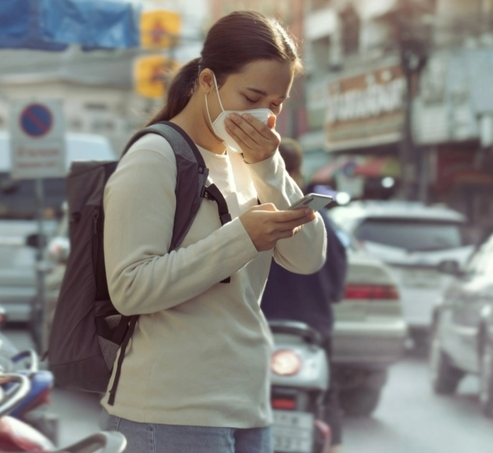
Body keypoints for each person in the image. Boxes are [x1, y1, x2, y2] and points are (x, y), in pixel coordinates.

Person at [99, 11, 326, 453]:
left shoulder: (250, 162)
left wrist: (268, 166)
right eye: (252, 95)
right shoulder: (156, 156)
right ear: (207, 82)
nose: (263, 112)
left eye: (276, 103)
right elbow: (129, 288)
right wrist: (242, 238)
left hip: (247, 405)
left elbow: (308, 258)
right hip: (169, 412)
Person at [260, 139, 348, 452]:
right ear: (298, 171)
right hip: (311, 331)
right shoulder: (320, 223)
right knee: (326, 396)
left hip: (257, 332)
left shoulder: (249, 218)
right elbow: (336, 287)